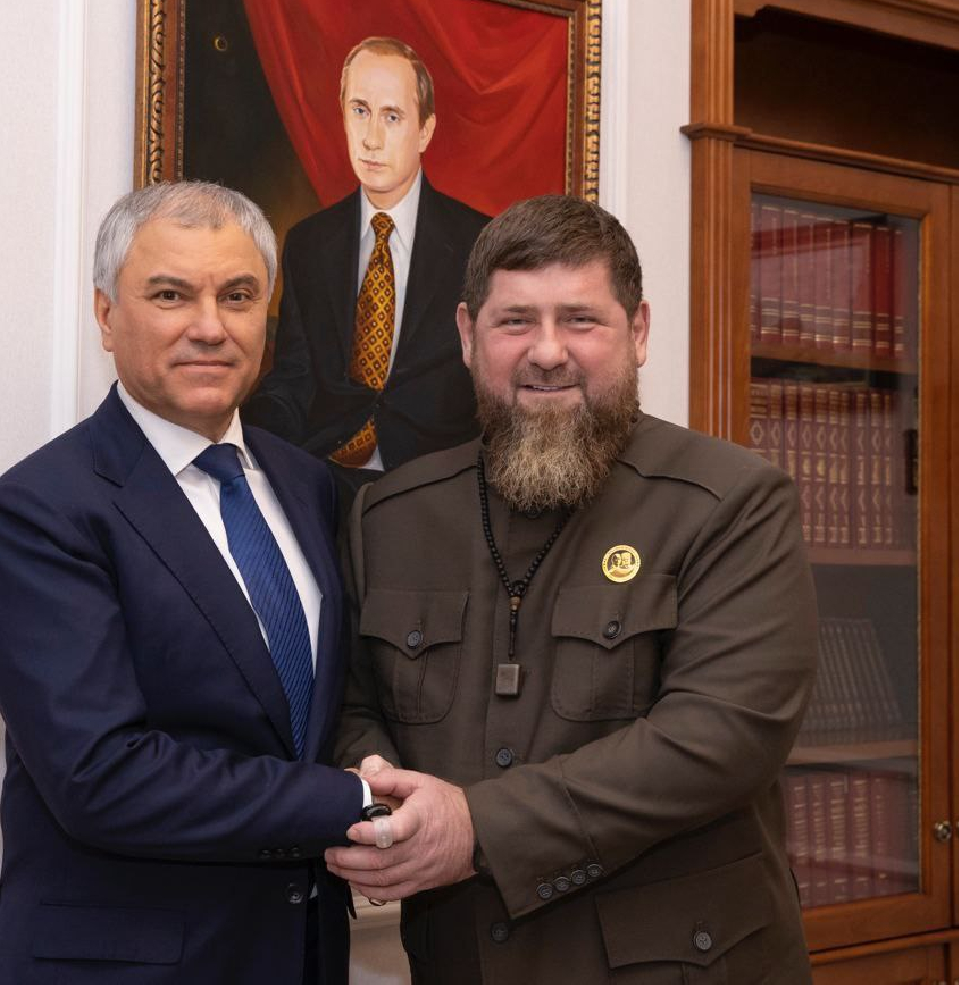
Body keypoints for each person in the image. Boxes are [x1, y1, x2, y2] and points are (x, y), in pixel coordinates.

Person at [325, 195, 818, 983]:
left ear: (639, 331)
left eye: (581, 320)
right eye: (515, 321)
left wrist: (476, 827)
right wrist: (382, 794)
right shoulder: (388, 516)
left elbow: (721, 738)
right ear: (467, 336)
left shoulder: (732, 502)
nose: (548, 352)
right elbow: (354, 706)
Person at [0, 182, 387, 984]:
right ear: (105, 315)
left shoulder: (309, 486)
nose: (210, 326)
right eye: (170, 295)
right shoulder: (41, 511)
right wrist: (355, 803)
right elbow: (103, 777)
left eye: (238, 296)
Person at [243, 36, 489, 484]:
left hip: (438, 483)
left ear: (425, 131)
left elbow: (495, 386)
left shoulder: (481, 242)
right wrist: (237, 437)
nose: (371, 138)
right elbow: (294, 379)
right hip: (325, 472)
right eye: (360, 111)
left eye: (392, 117)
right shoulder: (308, 243)